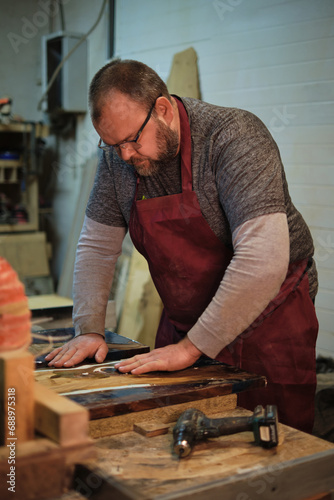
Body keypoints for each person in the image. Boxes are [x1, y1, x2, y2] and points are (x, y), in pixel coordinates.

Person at [46, 59, 319, 433]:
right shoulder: (117, 158)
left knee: (275, 443)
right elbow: (96, 246)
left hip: (269, 321)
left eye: (131, 140)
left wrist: (191, 349)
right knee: (169, 433)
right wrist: (90, 329)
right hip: (185, 321)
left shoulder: (234, 137)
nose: (124, 155)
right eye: (112, 144)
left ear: (162, 109)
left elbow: (263, 259)